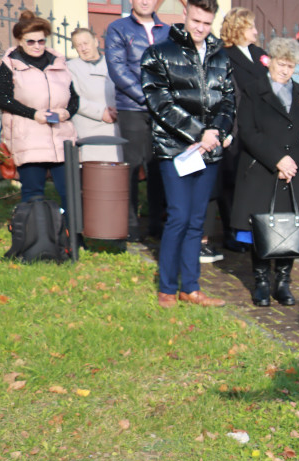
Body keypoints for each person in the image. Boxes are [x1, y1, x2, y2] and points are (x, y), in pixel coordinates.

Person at [141, 0, 234, 308]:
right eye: (196, 20)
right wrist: (198, 133)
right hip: (175, 150)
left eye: (206, 23)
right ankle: (167, 287)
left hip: (209, 152)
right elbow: (160, 103)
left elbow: (229, 101)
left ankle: (190, 287)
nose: (200, 28)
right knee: (179, 216)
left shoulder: (221, 56)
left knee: (197, 220)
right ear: (184, 15)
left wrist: (216, 133)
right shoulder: (158, 54)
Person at [233, 38, 299, 307]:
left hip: (296, 172)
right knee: (262, 227)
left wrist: (293, 161)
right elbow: (248, 131)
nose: (285, 70)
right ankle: (260, 281)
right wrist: (277, 160)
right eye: (281, 64)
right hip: (263, 169)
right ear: (269, 61)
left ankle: (283, 281)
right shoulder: (253, 90)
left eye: (290, 65)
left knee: (289, 228)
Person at [0, 11, 77, 209]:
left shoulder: (59, 63)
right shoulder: (11, 64)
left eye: (41, 41)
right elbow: (2, 98)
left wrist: (66, 113)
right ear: (20, 41)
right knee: (33, 194)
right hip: (29, 137)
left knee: (71, 192)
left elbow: (74, 98)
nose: (37, 46)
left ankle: (74, 238)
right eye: (30, 42)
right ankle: (35, 237)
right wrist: (33, 114)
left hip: (61, 137)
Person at [105, 0, 169, 241]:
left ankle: (156, 223)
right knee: (132, 166)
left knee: (158, 166)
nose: (145, 1)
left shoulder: (168, 31)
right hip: (132, 107)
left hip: (162, 109)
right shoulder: (118, 28)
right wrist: (146, 97)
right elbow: (117, 68)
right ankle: (130, 225)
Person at [217, 7, 268, 256]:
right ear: (237, 29)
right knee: (231, 180)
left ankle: (250, 230)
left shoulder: (260, 54)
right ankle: (231, 231)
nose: (256, 31)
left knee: (252, 181)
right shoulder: (224, 55)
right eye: (250, 27)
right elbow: (229, 94)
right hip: (236, 126)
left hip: (260, 128)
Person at [66, 28, 120, 163]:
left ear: (96, 42)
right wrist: (101, 112)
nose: (83, 48)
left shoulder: (113, 64)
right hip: (88, 131)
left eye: (86, 43)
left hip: (116, 128)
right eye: (78, 45)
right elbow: (73, 98)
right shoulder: (69, 68)